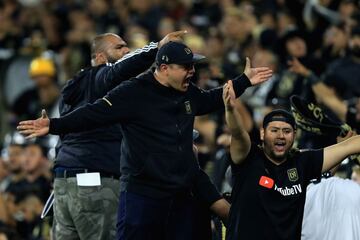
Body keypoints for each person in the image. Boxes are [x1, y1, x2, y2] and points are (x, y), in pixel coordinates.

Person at [18, 41, 272, 240]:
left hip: (181, 191)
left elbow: (209, 100)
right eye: (186, 67)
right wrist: (53, 125)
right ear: (164, 68)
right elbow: (94, 113)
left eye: (192, 66)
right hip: (143, 193)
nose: (192, 72)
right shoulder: (133, 92)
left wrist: (244, 81)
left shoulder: (186, 91)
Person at [40, 31, 185, 240]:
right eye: (119, 48)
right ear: (99, 58)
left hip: (64, 184)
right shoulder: (100, 77)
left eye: (126, 47)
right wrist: (157, 47)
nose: (126, 51)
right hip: (94, 182)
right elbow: (120, 70)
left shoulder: (73, 87)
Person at [222, 80, 360, 240]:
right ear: (262, 134)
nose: (280, 135)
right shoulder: (249, 159)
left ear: (294, 135)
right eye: (274, 130)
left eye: (286, 131)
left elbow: (348, 147)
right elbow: (239, 133)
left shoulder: (302, 161)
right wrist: (231, 109)